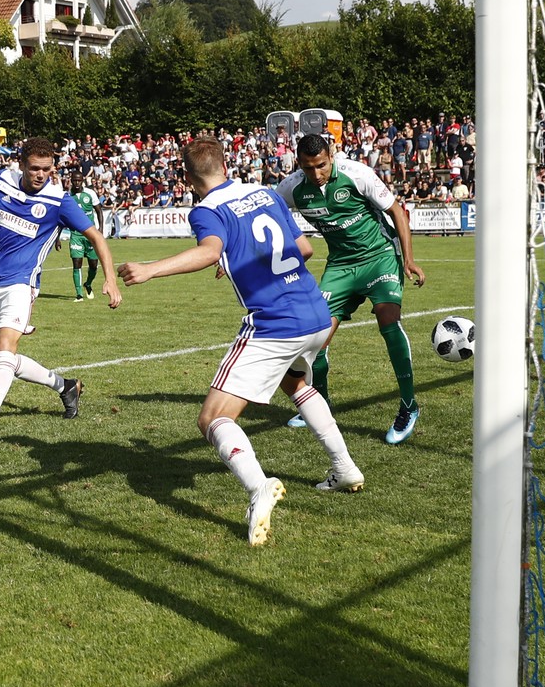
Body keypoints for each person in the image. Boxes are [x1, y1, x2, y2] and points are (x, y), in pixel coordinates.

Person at [118, 136, 363, 546]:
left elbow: (210, 251)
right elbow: (303, 249)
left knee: (212, 419)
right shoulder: (264, 192)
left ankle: (258, 488)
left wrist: (149, 269)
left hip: (275, 323)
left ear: (187, 176)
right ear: (225, 164)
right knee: (297, 384)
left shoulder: (206, 209)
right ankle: (345, 467)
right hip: (316, 313)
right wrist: (243, 259)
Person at [0, 137, 122, 442]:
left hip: (23, 284)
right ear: (21, 165)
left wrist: (109, 278)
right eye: (34, 168)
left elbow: (96, 237)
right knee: (1, 361)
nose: (41, 174)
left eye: (46, 169)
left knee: (6, 348)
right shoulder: (2, 180)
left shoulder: (60, 201)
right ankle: (65, 386)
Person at [275, 133, 427, 443]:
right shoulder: (291, 188)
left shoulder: (357, 174)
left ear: (331, 155)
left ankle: (409, 407)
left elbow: (397, 211)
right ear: (298, 164)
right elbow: (267, 215)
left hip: (379, 256)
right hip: (341, 266)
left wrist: (408, 260)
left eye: (320, 165)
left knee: (388, 320)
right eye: (307, 168)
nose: (316, 174)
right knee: (315, 339)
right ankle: (320, 405)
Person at [66, 175, 105, 301]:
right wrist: (56, 238)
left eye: (79, 180)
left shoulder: (90, 193)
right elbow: (62, 216)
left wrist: (100, 230)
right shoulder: (67, 196)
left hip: (91, 234)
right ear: (71, 181)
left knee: (93, 265)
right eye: (74, 180)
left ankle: (88, 284)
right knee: (77, 264)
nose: (77, 182)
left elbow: (99, 210)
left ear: (82, 181)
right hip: (76, 235)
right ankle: (79, 294)